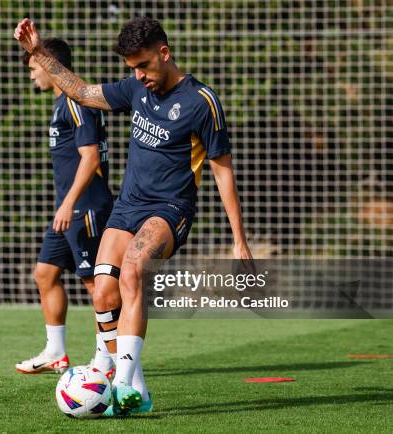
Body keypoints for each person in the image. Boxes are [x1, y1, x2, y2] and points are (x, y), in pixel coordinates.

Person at [14, 16, 253, 415]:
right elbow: (83, 91)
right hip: (127, 207)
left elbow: (222, 170)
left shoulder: (201, 102)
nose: (138, 75)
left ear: (165, 53)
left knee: (133, 270)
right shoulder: (135, 90)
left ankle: (120, 383)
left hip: (170, 209)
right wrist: (37, 52)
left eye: (143, 65)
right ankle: (137, 391)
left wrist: (239, 239)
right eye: (132, 69)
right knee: (104, 293)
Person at [14, 38, 115, 377]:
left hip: (84, 208)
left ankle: (108, 358)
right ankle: (55, 352)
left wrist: (69, 203)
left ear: (49, 64)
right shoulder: (62, 104)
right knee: (45, 273)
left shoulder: (76, 102)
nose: (31, 77)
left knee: (94, 284)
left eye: (33, 68)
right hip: (67, 209)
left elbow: (91, 157)